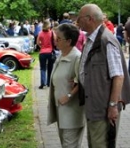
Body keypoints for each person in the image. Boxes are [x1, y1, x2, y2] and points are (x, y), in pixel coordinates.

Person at [77, 4, 130, 148]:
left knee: (101, 144)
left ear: (90, 19)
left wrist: (113, 105)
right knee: (95, 143)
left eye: (79, 18)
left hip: (103, 109)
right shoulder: (92, 39)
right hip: (94, 106)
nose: (77, 21)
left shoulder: (106, 40)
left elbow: (118, 76)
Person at [47, 23, 85, 148]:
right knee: (65, 144)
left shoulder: (77, 57)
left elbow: (83, 82)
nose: (55, 41)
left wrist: (69, 95)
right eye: (55, 37)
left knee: (70, 145)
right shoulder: (62, 54)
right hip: (61, 111)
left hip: (72, 113)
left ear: (68, 41)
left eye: (58, 39)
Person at [36, 20, 56, 89]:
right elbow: (55, 41)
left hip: (42, 52)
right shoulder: (52, 33)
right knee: (50, 68)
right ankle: (49, 83)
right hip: (50, 52)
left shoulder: (40, 33)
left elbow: (38, 42)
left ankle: (42, 83)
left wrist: (42, 46)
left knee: (43, 68)